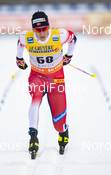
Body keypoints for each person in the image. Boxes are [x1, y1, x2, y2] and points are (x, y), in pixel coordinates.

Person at [16, 11, 77, 159]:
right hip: (37, 76)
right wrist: (19, 59)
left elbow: (73, 38)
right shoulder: (26, 37)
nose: (42, 32)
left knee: (58, 123)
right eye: (38, 30)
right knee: (35, 99)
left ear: (49, 26)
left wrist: (69, 55)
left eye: (44, 28)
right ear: (33, 29)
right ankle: (33, 136)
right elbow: (19, 45)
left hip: (56, 79)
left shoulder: (59, 35)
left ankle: (63, 130)